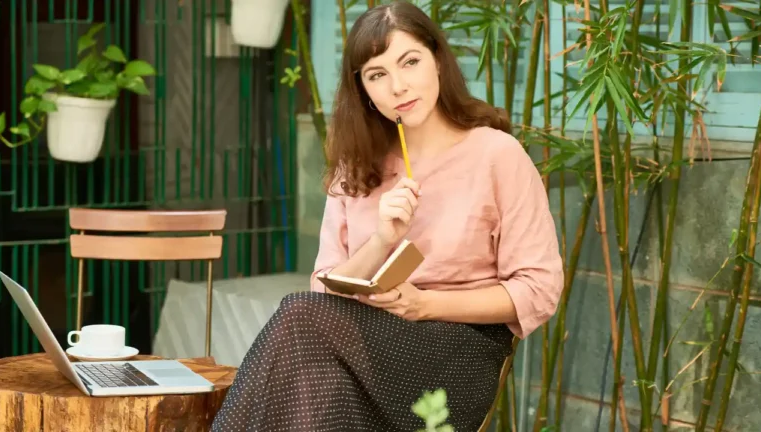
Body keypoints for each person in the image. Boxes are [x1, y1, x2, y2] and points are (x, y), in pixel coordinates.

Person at [211, 2, 563, 431]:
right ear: (364, 91)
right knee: (315, 373)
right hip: (360, 351)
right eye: (377, 74)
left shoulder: (496, 155)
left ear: (437, 60)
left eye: (409, 62)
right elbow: (324, 290)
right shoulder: (355, 165)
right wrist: (380, 239)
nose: (397, 86)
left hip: (457, 352)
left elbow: (539, 290)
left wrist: (426, 305)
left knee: (299, 319)